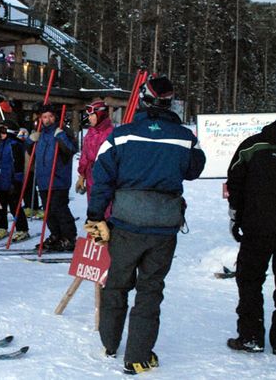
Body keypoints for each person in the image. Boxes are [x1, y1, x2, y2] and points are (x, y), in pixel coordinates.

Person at [85, 76, 205, 375]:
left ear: (142, 100)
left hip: (126, 222)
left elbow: (102, 178)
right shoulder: (184, 136)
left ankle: (110, 343)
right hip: (163, 225)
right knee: (150, 289)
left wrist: (95, 215)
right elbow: (194, 169)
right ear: (170, 102)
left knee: (117, 282)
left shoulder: (121, 135)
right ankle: (137, 356)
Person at [226, 119, 276, 354]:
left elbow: (234, 183)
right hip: (257, 225)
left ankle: (250, 336)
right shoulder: (251, 146)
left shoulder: (251, 145)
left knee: (249, 281)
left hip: (257, 227)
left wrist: (235, 217)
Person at [27, 104, 78, 251]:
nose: (47, 119)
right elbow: (31, 153)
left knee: (59, 209)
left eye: (50, 116)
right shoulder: (40, 133)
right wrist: (31, 140)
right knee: (48, 210)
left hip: (58, 178)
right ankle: (56, 235)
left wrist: (60, 136)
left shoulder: (63, 131)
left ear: (55, 117)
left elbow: (71, 150)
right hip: (43, 179)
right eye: (44, 117)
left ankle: (69, 237)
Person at [0, 119, 29, 242]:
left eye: (3, 131)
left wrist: (16, 182)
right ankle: (2, 227)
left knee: (15, 206)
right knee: (0, 206)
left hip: (11, 181)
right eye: (0, 131)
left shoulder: (15, 145)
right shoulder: (1, 144)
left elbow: (18, 165)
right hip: (0, 181)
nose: (1, 134)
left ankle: (22, 228)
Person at [76, 99, 114, 202]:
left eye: (92, 115)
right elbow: (85, 155)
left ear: (100, 114)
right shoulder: (91, 132)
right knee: (92, 205)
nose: (89, 118)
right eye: (89, 116)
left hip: (105, 177)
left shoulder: (111, 133)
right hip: (90, 175)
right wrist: (82, 175)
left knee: (105, 208)